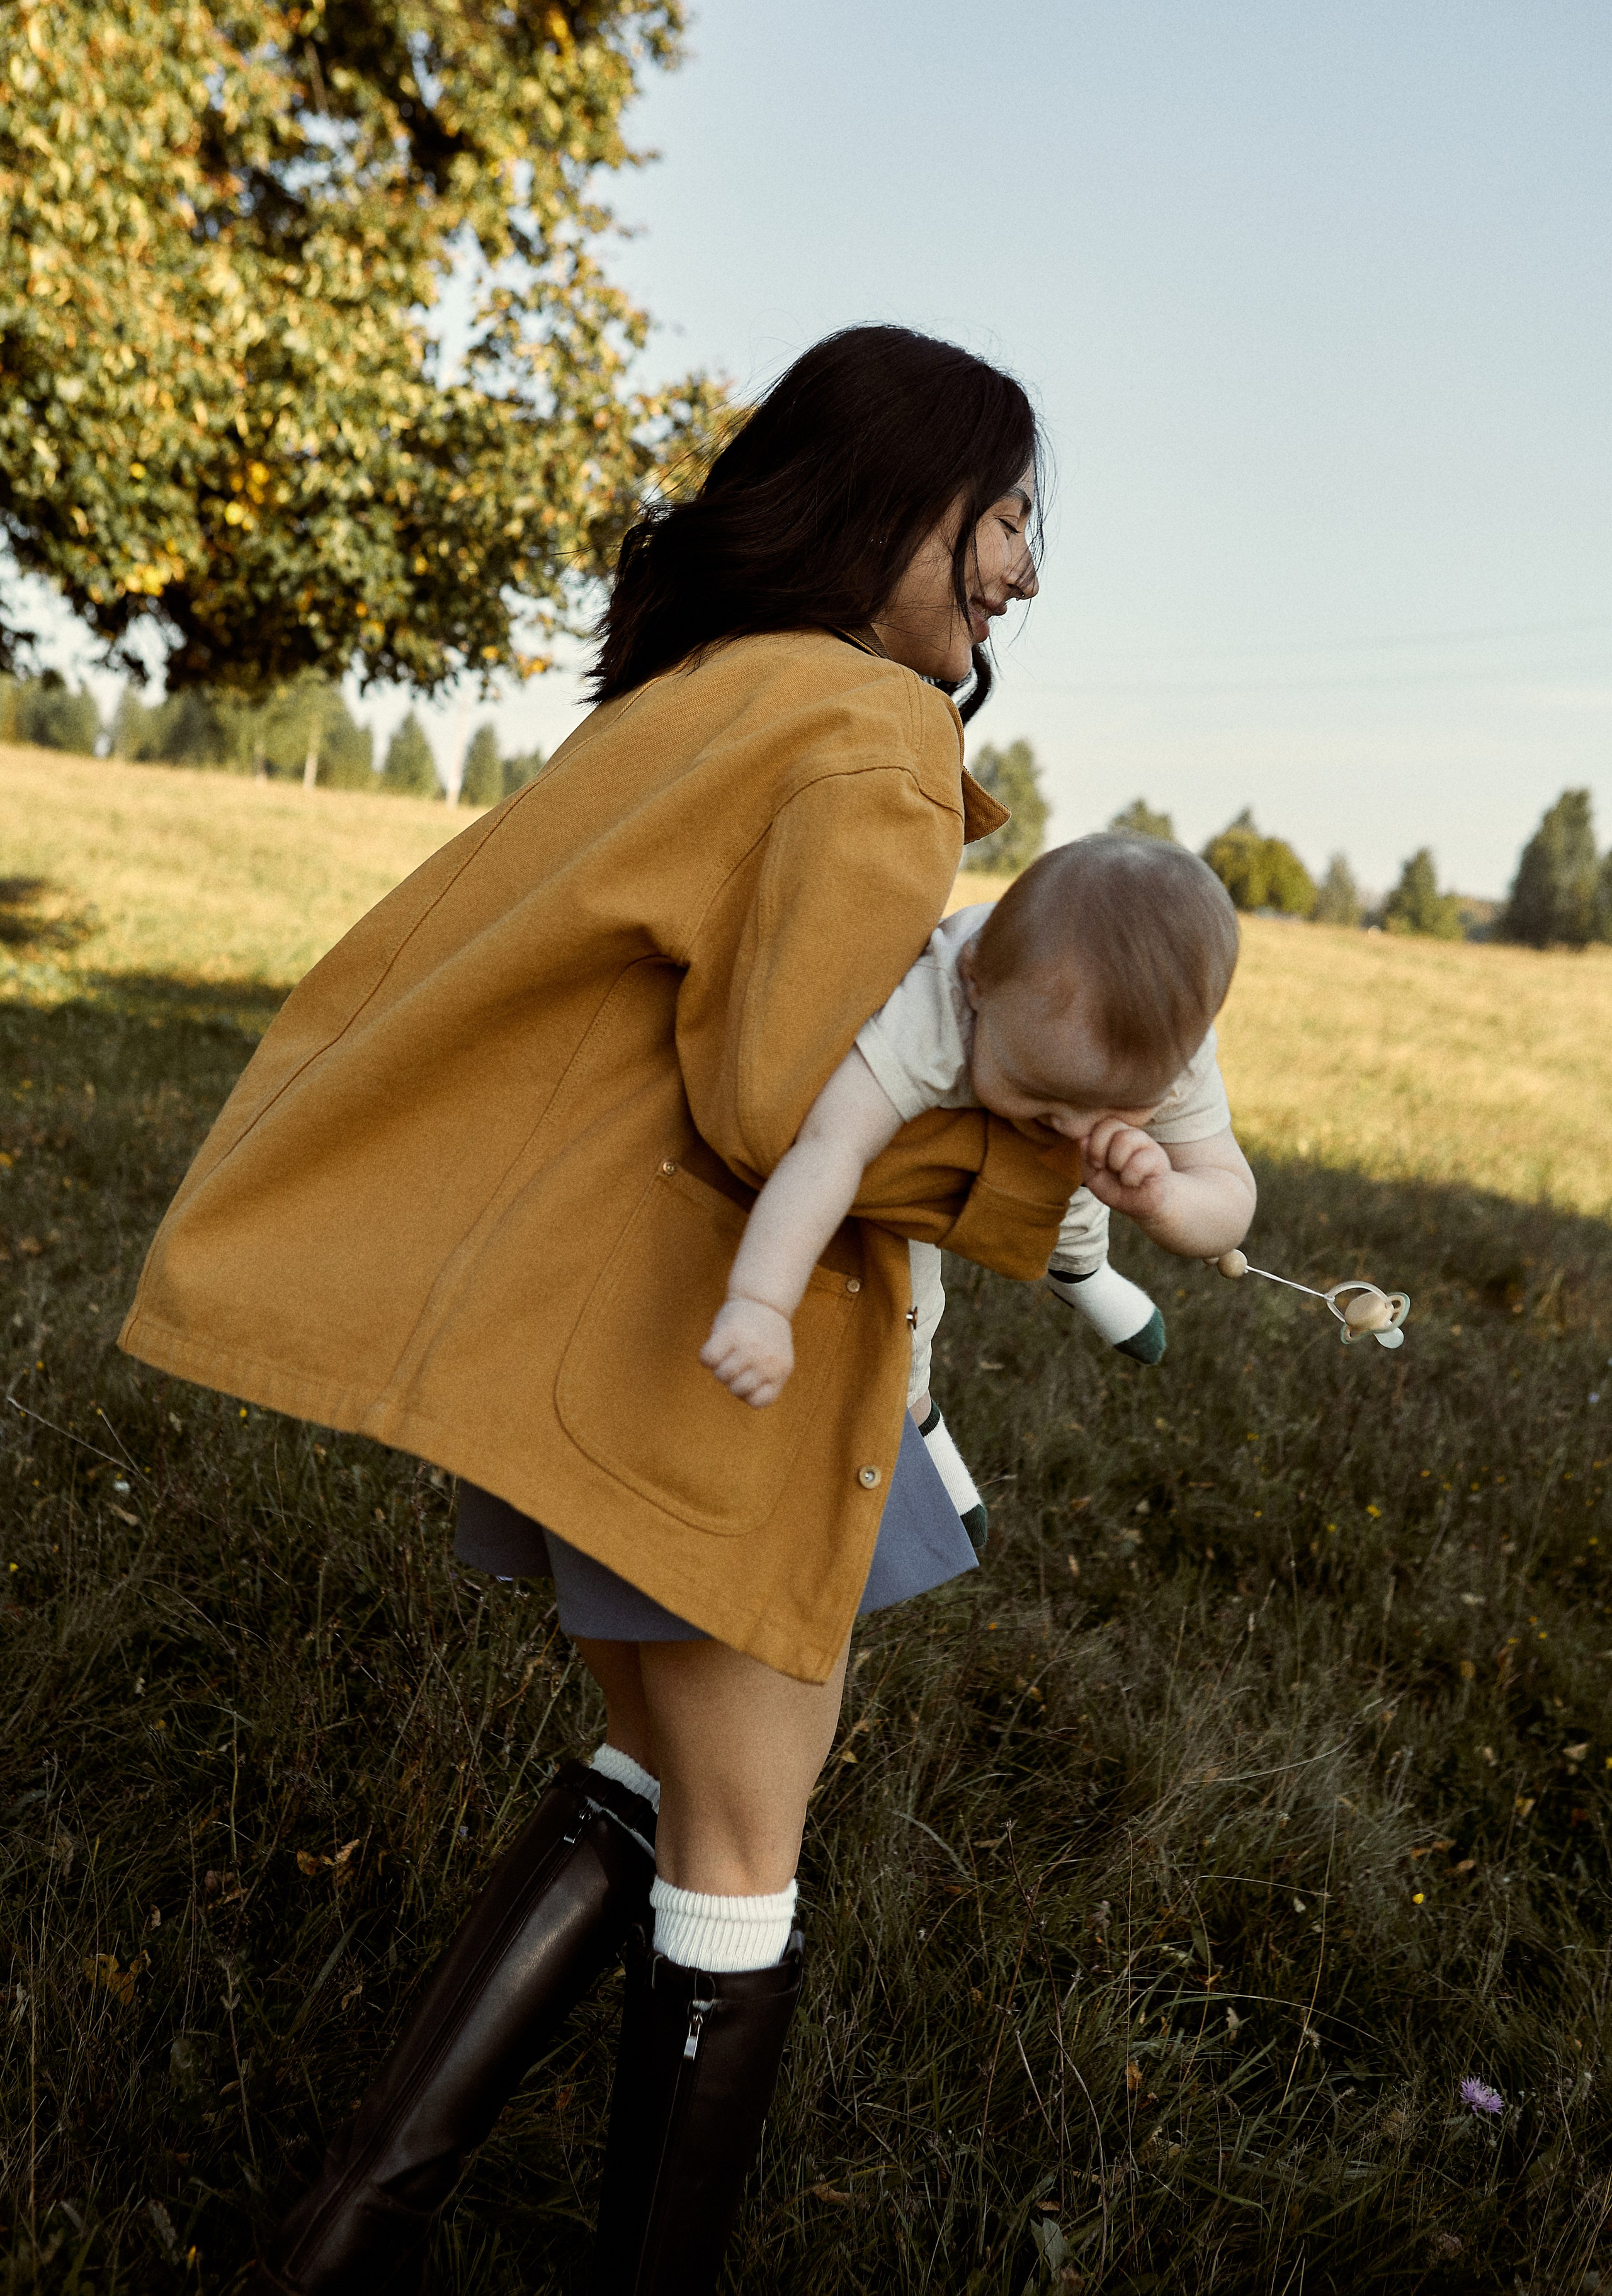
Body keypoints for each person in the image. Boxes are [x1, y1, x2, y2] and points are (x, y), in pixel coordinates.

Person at [118, 324, 1084, 2294]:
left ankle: (340, 2241)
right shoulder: (871, 729)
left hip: (598, 1343)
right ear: (889, 504)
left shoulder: (707, 688)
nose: (1023, 572)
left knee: (674, 1775)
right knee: (742, 1853)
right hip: (710, 1362)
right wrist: (1048, 1186)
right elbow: (780, 1097)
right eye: (1000, 518)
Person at [701, 838, 1257, 1550]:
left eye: (1120, 1104)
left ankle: (1081, 1271)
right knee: (904, 1295)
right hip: (926, 1161)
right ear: (975, 983)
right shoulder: (935, 1009)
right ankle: (917, 1416)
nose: (1075, 1125)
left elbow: (1229, 1200)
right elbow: (828, 1149)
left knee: (1098, 1171)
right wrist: (760, 1302)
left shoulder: (1167, 1052)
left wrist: (1165, 1201)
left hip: (1079, 1174)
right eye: (1040, 1092)